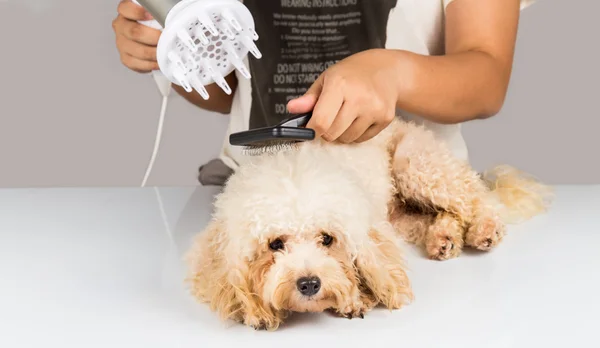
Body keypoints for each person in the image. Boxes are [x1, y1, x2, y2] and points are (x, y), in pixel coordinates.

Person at [112, 0, 537, 186]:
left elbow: (486, 77)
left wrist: (394, 73)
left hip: (406, 198)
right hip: (263, 202)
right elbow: (227, 93)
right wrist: (175, 52)